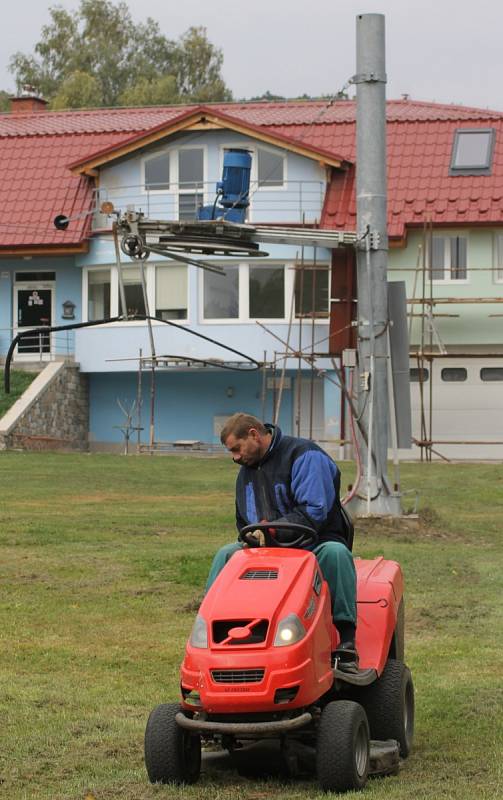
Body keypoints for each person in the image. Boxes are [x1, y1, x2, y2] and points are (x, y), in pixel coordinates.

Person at [206, 412, 359, 673]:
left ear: (254, 434)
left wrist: (271, 532)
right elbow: (243, 521)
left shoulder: (305, 456)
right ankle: (213, 635)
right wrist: (252, 538)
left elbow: (314, 511)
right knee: (226, 555)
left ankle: (346, 641)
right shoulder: (246, 473)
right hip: (268, 550)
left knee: (336, 553)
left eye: (237, 448)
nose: (235, 457)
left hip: (313, 543)